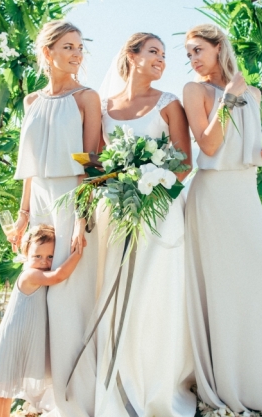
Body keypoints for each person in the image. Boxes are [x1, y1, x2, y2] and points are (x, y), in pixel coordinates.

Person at [182, 24, 262, 416]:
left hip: (245, 193)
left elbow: (246, 147)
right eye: (188, 53)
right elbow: (209, 145)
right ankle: (229, 379)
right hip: (211, 196)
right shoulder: (195, 91)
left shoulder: (252, 93)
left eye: (198, 50)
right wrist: (227, 100)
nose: (192, 59)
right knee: (223, 288)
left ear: (218, 46)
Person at [93, 32, 196, 417]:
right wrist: (116, 188)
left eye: (164, 56)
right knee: (118, 291)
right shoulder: (104, 108)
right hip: (118, 211)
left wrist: (156, 201)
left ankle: (158, 382)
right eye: (154, 52)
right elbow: (95, 162)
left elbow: (185, 163)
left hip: (161, 212)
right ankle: (119, 379)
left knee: (157, 293)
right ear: (131, 55)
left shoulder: (169, 104)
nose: (161, 60)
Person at [6, 20, 101, 417]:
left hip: (70, 200)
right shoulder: (32, 101)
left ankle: (74, 390)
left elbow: (91, 164)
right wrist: (23, 215)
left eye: (79, 47)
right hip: (40, 202)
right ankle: (43, 384)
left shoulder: (87, 98)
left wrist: (81, 218)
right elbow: (30, 166)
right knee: (41, 295)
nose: (77, 54)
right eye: (68, 47)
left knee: (66, 294)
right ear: (48, 53)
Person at [0, 224, 86, 417]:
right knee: (0, 392)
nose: (43, 262)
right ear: (26, 254)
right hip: (11, 341)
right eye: (37, 256)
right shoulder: (30, 275)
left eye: (50, 257)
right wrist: (78, 252)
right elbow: (58, 276)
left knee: (7, 393)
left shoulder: (36, 272)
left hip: (19, 341)